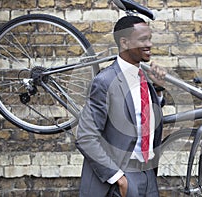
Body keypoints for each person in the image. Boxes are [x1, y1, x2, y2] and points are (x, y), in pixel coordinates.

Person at [75, 15, 166, 197]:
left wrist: (157, 90)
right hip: (122, 175)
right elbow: (85, 137)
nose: (149, 44)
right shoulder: (105, 81)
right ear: (124, 42)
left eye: (150, 38)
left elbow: (143, 117)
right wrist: (118, 178)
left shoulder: (144, 77)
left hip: (148, 175)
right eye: (142, 39)